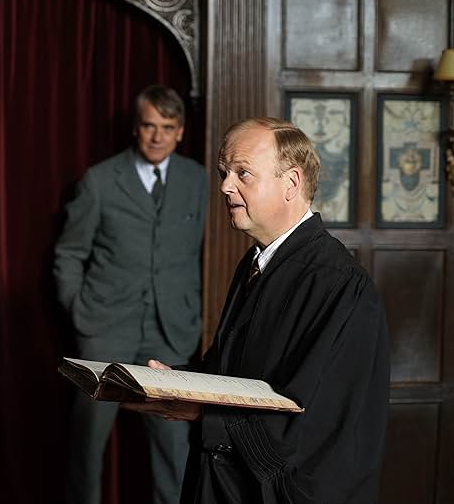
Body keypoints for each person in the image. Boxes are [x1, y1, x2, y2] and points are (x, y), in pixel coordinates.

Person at [126, 117, 390, 503]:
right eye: (223, 172)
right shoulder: (258, 261)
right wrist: (171, 383)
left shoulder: (337, 283)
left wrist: (202, 413)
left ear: (292, 184)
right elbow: (238, 373)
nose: (224, 186)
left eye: (242, 173)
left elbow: (312, 420)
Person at [54, 85, 208, 504]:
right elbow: (69, 253)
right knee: (88, 445)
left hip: (171, 331)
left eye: (168, 127)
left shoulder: (199, 181)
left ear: (180, 132)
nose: (157, 136)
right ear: (136, 129)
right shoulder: (100, 181)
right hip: (105, 328)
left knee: (173, 447)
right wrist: (79, 309)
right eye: (149, 126)